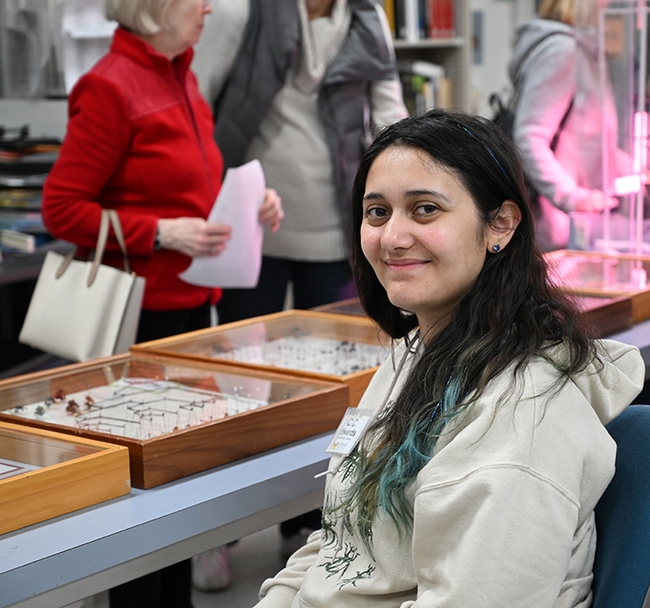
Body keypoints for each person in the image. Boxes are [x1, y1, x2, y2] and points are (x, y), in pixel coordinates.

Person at [252, 109, 645, 607]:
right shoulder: (416, 351)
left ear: (499, 224)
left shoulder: (520, 419)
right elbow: (341, 538)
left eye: (425, 210)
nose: (392, 237)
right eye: (377, 212)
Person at [41, 0, 282, 606]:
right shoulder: (109, 87)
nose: (207, 7)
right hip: (139, 321)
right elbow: (61, 208)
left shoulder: (184, 75)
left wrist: (247, 207)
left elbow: (191, 188)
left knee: (178, 485)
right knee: (148, 499)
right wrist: (159, 232)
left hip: (189, 312)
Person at [208, 0, 408, 321]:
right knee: (244, 357)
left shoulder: (368, 17)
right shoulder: (245, 11)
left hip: (335, 229)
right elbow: (202, 99)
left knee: (334, 353)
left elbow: (391, 118)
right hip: (254, 224)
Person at [508, 0, 630, 251]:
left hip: (580, 223)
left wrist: (631, 166)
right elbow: (530, 137)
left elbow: (586, 137)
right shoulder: (563, 51)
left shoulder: (587, 52)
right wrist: (572, 197)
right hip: (557, 228)